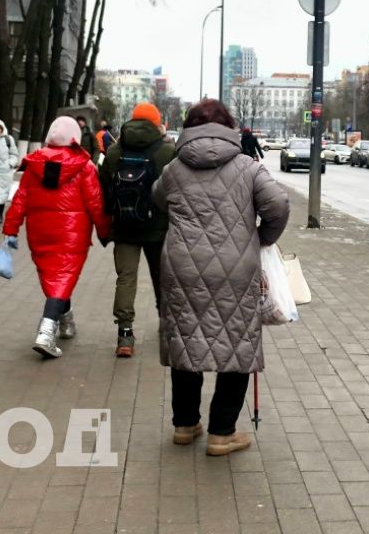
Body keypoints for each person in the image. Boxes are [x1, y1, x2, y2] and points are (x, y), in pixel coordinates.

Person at [154, 99, 290, 455]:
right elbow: (278, 204)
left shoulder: (173, 170)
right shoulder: (249, 167)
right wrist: (261, 239)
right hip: (235, 270)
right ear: (229, 127)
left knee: (186, 341)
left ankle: (185, 425)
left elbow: (157, 200)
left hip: (181, 268)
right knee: (237, 345)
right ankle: (221, 432)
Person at [3, 116, 112, 358]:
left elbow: (20, 200)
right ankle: (45, 332)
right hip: (73, 233)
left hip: (40, 232)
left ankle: (66, 320)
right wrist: (105, 231)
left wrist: (10, 228)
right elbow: (95, 203)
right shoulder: (84, 166)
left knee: (55, 277)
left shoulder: (34, 164)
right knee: (62, 277)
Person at [99, 102, 175, 358]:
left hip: (124, 226)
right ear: (157, 122)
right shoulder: (167, 151)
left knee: (126, 278)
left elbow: (104, 187)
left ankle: (125, 334)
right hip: (159, 227)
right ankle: (166, 326)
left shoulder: (114, 151)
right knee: (161, 277)